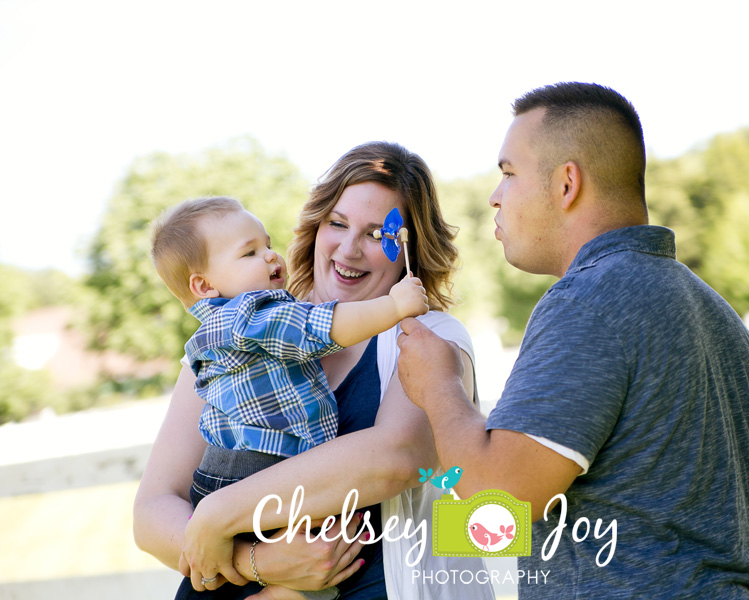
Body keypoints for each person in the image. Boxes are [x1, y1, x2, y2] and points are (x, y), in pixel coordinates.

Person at [396, 82, 749, 599]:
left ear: (566, 184)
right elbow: (608, 519)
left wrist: (439, 386)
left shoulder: (591, 300)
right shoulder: (712, 308)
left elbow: (500, 498)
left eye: (509, 173)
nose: (494, 195)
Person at [133, 142, 496, 600]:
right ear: (316, 225)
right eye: (337, 224)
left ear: (409, 247)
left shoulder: (432, 337)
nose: (349, 249)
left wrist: (217, 515)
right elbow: (152, 511)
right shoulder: (233, 338)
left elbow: (398, 458)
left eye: (375, 235)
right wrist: (258, 563)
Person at [149, 196, 429, 599]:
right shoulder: (249, 315)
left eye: (266, 244)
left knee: (310, 553)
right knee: (320, 546)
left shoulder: (234, 326)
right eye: (249, 253)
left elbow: (396, 455)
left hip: (250, 472)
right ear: (205, 286)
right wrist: (394, 305)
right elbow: (323, 328)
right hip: (249, 468)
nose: (269, 256)